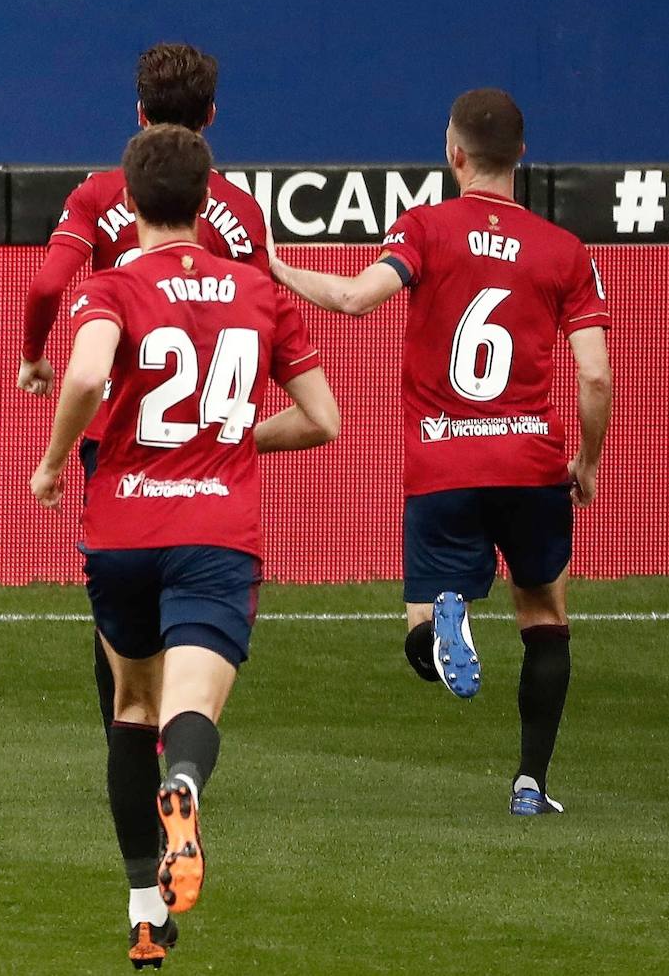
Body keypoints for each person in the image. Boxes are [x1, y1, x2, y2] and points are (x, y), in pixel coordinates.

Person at [31, 125, 339, 968]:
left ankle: (144, 914)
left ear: (128, 206)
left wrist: (56, 461)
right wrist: (233, 438)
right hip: (215, 531)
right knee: (189, 711)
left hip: (123, 529)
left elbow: (89, 376)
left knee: (131, 710)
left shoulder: (111, 287)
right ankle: (188, 787)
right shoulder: (258, 291)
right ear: (207, 204)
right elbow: (324, 420)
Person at [265, 88, 612, 815]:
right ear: (521, 155)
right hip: (530, 465)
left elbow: (358, 299)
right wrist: (585, 463)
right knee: (545, 618)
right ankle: (530, 783)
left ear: (454, 154)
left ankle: (443, 617)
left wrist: (279, 269)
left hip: (442, 465)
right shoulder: (566, 252)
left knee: (421, 634)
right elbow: (596, 374)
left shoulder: (424, 229)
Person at [18, 42, 272, 743]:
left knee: (119, 592)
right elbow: (263, 312)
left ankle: (127, 740)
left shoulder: (102, 193)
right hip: (204, 432)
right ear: (212, 116)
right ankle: (181, 738)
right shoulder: (242, 212)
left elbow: (46, 284)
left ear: (136, 113)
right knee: (198, 583)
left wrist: (34, 355)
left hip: (117, 429)